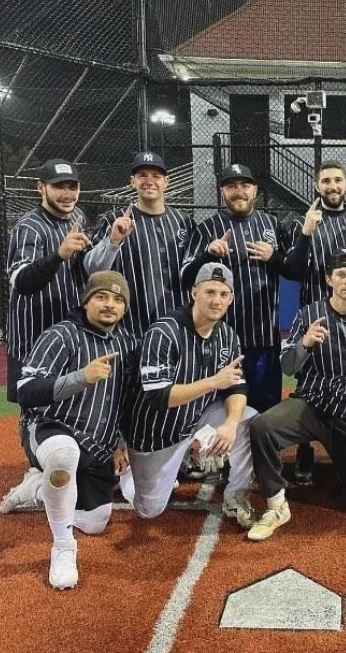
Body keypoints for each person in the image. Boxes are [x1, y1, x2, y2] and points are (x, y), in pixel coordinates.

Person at [0, 272, 137, 589]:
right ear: (87, 300)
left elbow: (125, 400)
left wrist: (120, 442)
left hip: (97, 446)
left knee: (95, 522)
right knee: (64, 456)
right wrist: (81, 377)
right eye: (102, 297)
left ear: (125, 308)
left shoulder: (127, 343)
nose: (109, 305)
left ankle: (35, 488)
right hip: (50, 427)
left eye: (118, 300)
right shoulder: (62, 335)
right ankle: (63, 548)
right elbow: (26, 390)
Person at [245, 250, 346, 541]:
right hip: (312, 405)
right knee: (262, 427)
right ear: (329, 279)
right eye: (340, 275)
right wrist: (304, 344)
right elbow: (288, 365)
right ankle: (275, 504)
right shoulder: (309, 314)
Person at [119, 263, 257, 526]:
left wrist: (229, 424)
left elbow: (237, 386)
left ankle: (235, 494)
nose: (217, 300)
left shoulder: (227, 335)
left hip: (195, 419)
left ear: (231, 299)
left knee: (248, 421)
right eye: (210, 292)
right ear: (194, 293)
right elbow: (159, 396)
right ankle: (128, 475)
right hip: (155, 434)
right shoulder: (164, 332)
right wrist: (214, 381)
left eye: (223, 294)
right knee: (149, 510)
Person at [285, 160, 346, 484]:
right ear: (317, 186)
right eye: (326, 181)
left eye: (338, 180)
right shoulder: (305, 220)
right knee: (307, 381)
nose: (332, 186)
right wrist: (304, 235)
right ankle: (305, 450)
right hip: (314, 315)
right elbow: (293, 270)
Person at [181, 164, 292, 417]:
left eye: (245, 185)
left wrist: (274, 256)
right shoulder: (207, 228)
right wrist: (207, 255)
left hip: (263, 339)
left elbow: (292, 270)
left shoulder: (273, 225)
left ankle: (262, 458)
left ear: (255, 190)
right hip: (219, 340)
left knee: (265, 415)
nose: (238, 191)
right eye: (231, 186)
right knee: (220, 412)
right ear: (222, 191)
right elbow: (186, 277)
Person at [6, 159, 91, 462]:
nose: (67, 193)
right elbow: (22, 281)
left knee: (69, 402)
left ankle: (66, 463)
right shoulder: (30, 226)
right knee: (36, 407)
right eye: (58, 186)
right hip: (34, 336)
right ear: (40, 188)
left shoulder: (77, 217)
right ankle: (35, 469)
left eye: (72, 186)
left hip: (67, 333)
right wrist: (57, 255)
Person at [84, 152, 195, 340]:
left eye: (156, 176)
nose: (149, 181)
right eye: (142, 175)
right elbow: (92, 269)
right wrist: (113, 242)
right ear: (132, 181)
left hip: (177, 328)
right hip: (129, 329)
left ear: (166, 182)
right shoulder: (115, 220)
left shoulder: (184, 222)